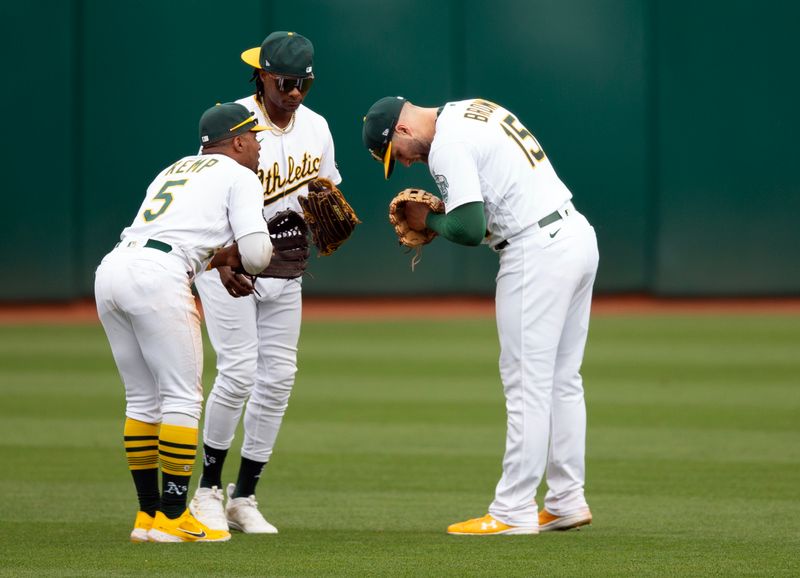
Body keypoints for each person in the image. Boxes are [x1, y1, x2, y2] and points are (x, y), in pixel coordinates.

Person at [362, 96, 599, 535]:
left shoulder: (448, 143)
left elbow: (469, 229)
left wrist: (428, 222)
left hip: (536, 252)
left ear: (404, 130)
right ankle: (567, 499)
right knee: (563, 379)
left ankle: (512, 510)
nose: (409, 164)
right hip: (576, 236)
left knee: (526, 383)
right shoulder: (474, 108)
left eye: (399, 154)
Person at [95, 103, 274, 542]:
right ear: (237, 141)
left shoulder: (174, 168)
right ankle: (175, 517)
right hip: (159, 277)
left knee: (141, 401)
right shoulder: (240, 175)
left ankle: (148, 517)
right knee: (181, 398)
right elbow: (257, 256)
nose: (258, 148)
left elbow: (183, 237)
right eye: (254, 139)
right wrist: (239, 255)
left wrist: (219, 257)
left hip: (113, 268)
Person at [189, 31, 341, 534]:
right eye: (285, 81)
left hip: (284, 269)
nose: (295, 91)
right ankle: (207, 490)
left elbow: (324, 191)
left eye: (304, 82)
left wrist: (325, 222)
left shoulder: (316, 128)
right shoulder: (234, 121)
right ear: (262, 74)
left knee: (278, 379)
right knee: (237, 373)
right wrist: (226, 255)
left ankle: (244, 497)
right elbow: (204, 192)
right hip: (228, 264)